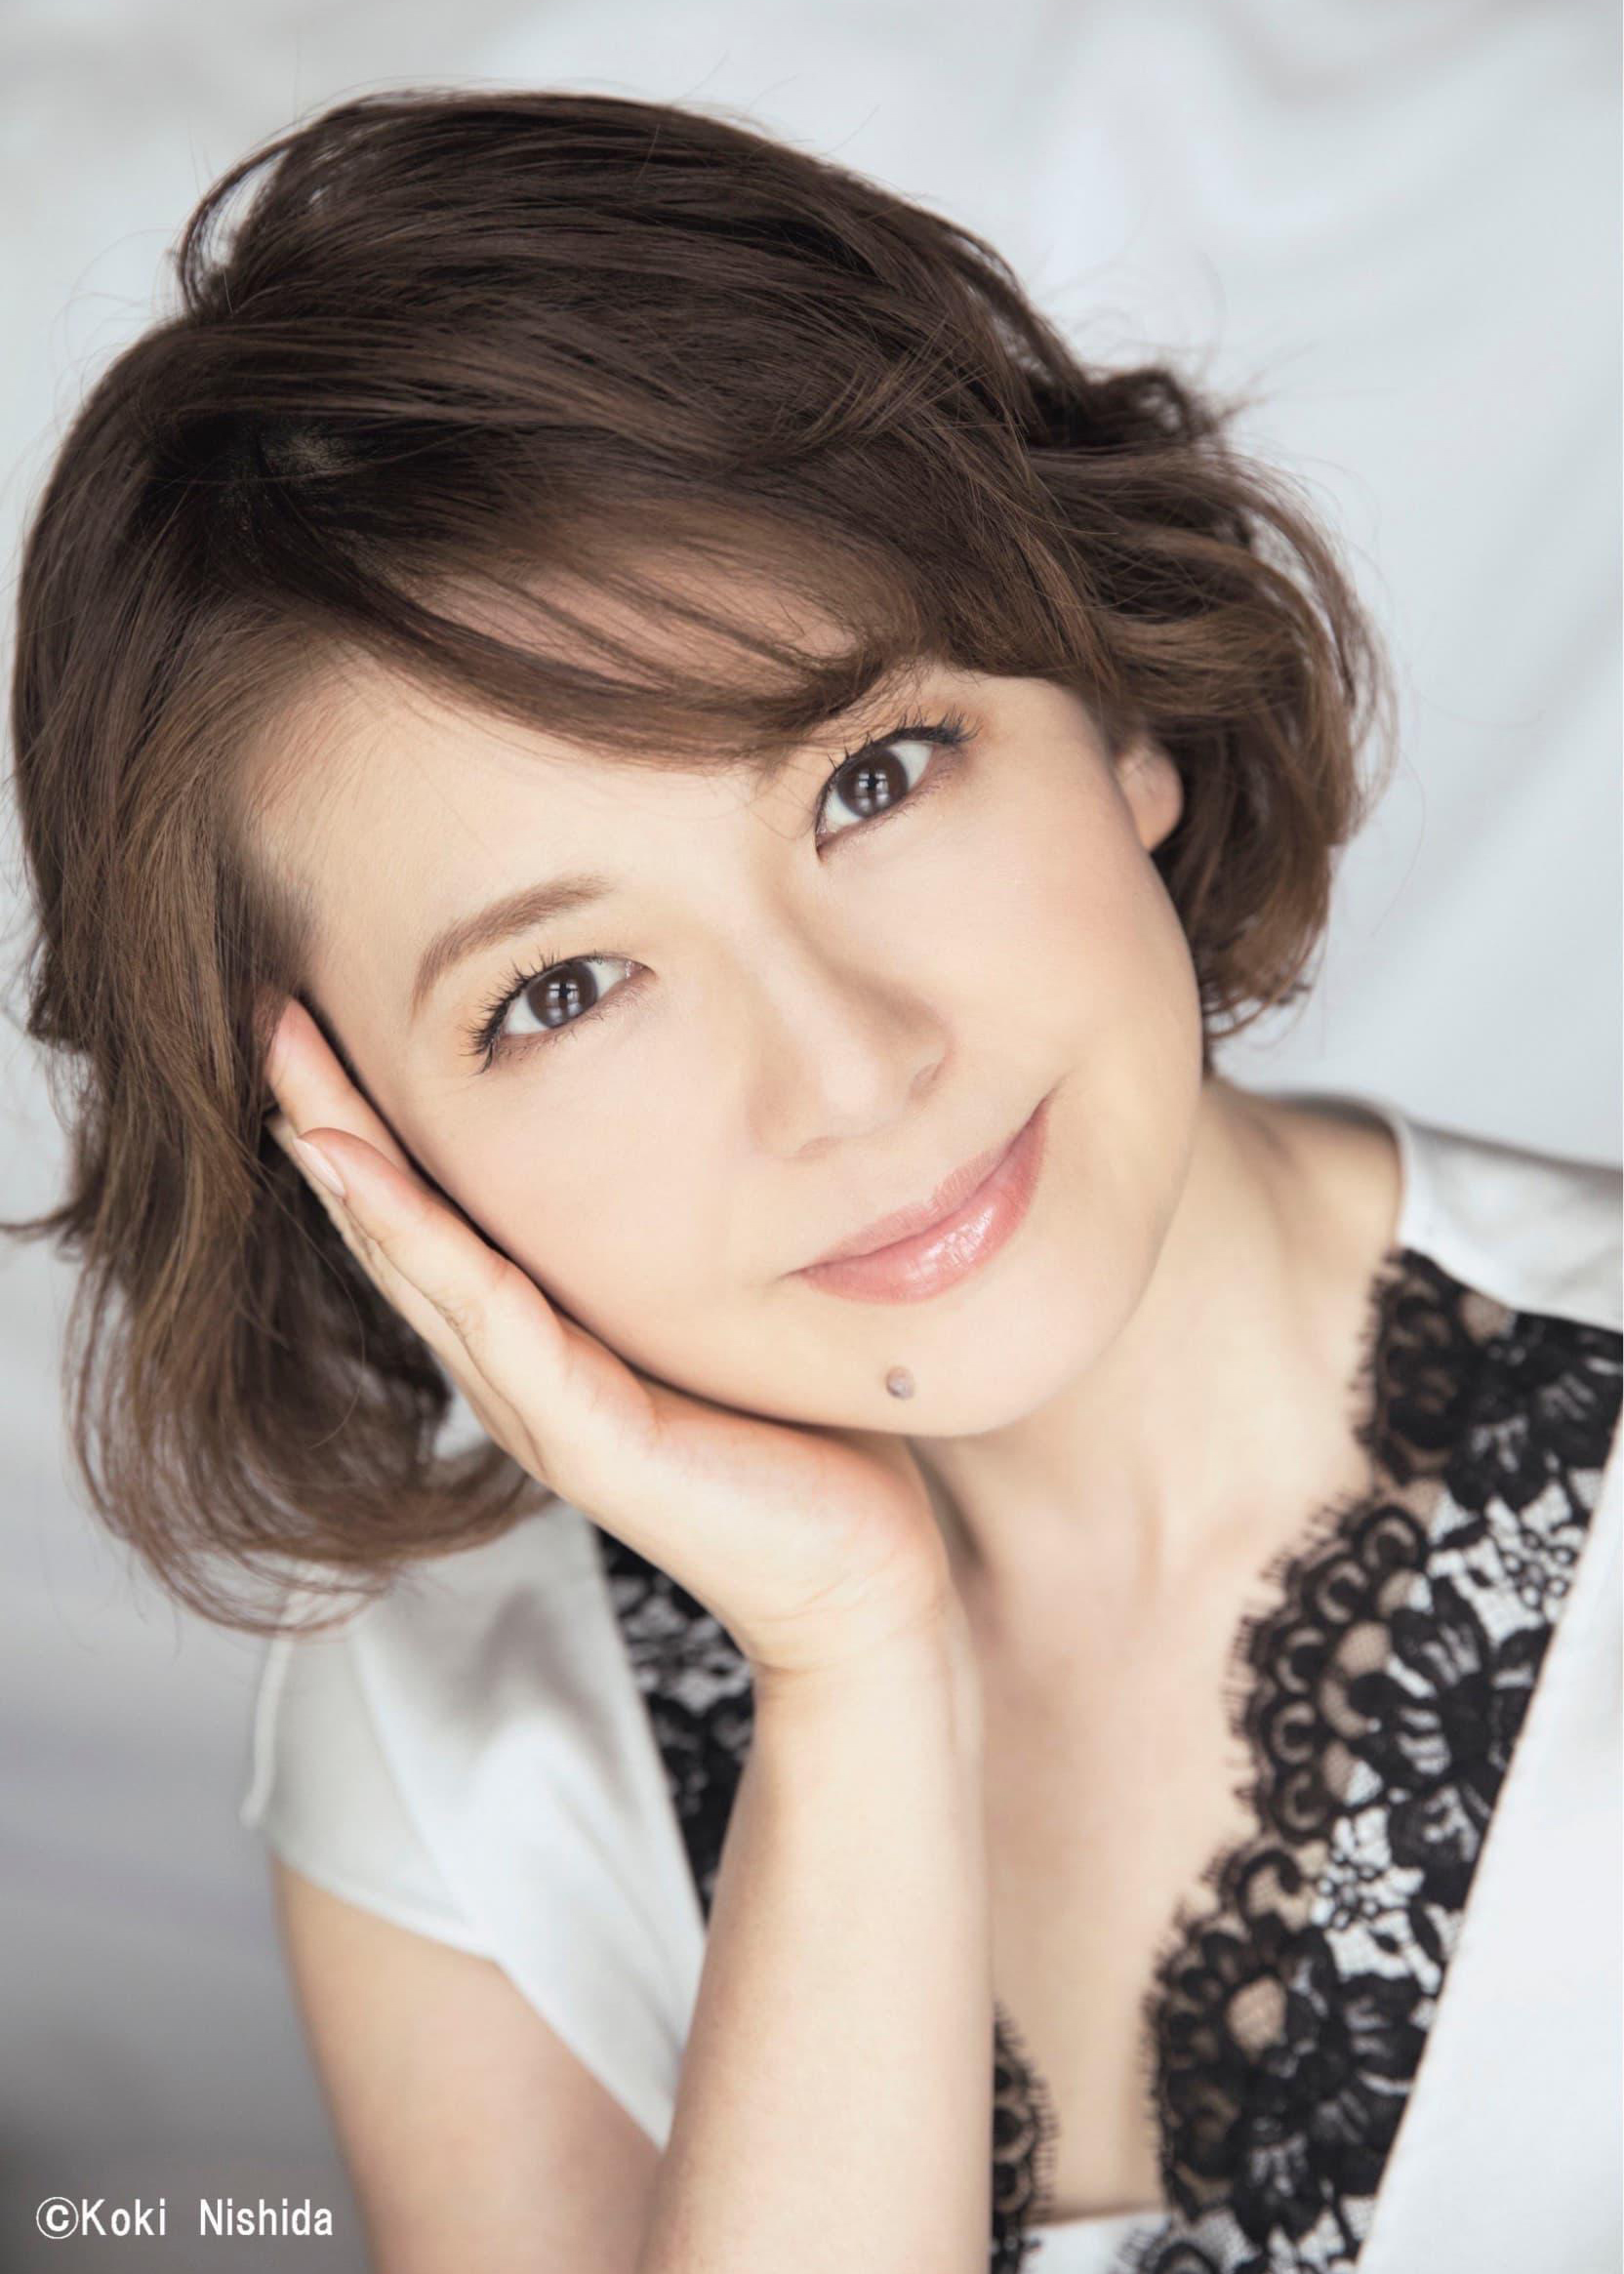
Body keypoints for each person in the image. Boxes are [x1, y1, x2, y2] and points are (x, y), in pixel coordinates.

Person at [5, 87, 1619, 2274]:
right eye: (564, 989)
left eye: (875, 772)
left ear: (1116, 698)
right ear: (351, 1142)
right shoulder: (461, 1741)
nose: (854, 1073)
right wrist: (856, 1662)